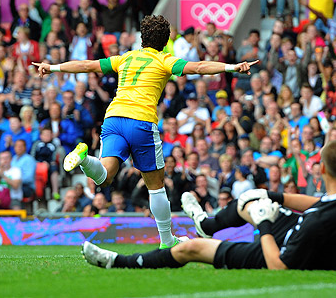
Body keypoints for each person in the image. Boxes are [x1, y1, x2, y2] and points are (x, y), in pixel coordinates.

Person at [33, 15, 258, 249]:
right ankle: (166, 240)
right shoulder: (164, 60)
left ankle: (84, 159)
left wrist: (52, 67)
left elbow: (87, 65)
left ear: (143, 38)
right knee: (156, 185)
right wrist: (233, 67)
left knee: (105, 176)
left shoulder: (126, 58)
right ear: (164, 40)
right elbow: (199, 67)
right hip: (141, 122)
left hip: (113, 118)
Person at [81, 140, 336, 270]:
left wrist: (265, 223)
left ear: (323, 172)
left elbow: (278, 266)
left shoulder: (317, 223)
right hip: (310, 239)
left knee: (189, 248)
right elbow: (321, 202)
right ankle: (207, 224)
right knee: (251, 197)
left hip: (286, 251)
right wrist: (273, 197)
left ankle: (117, 262)